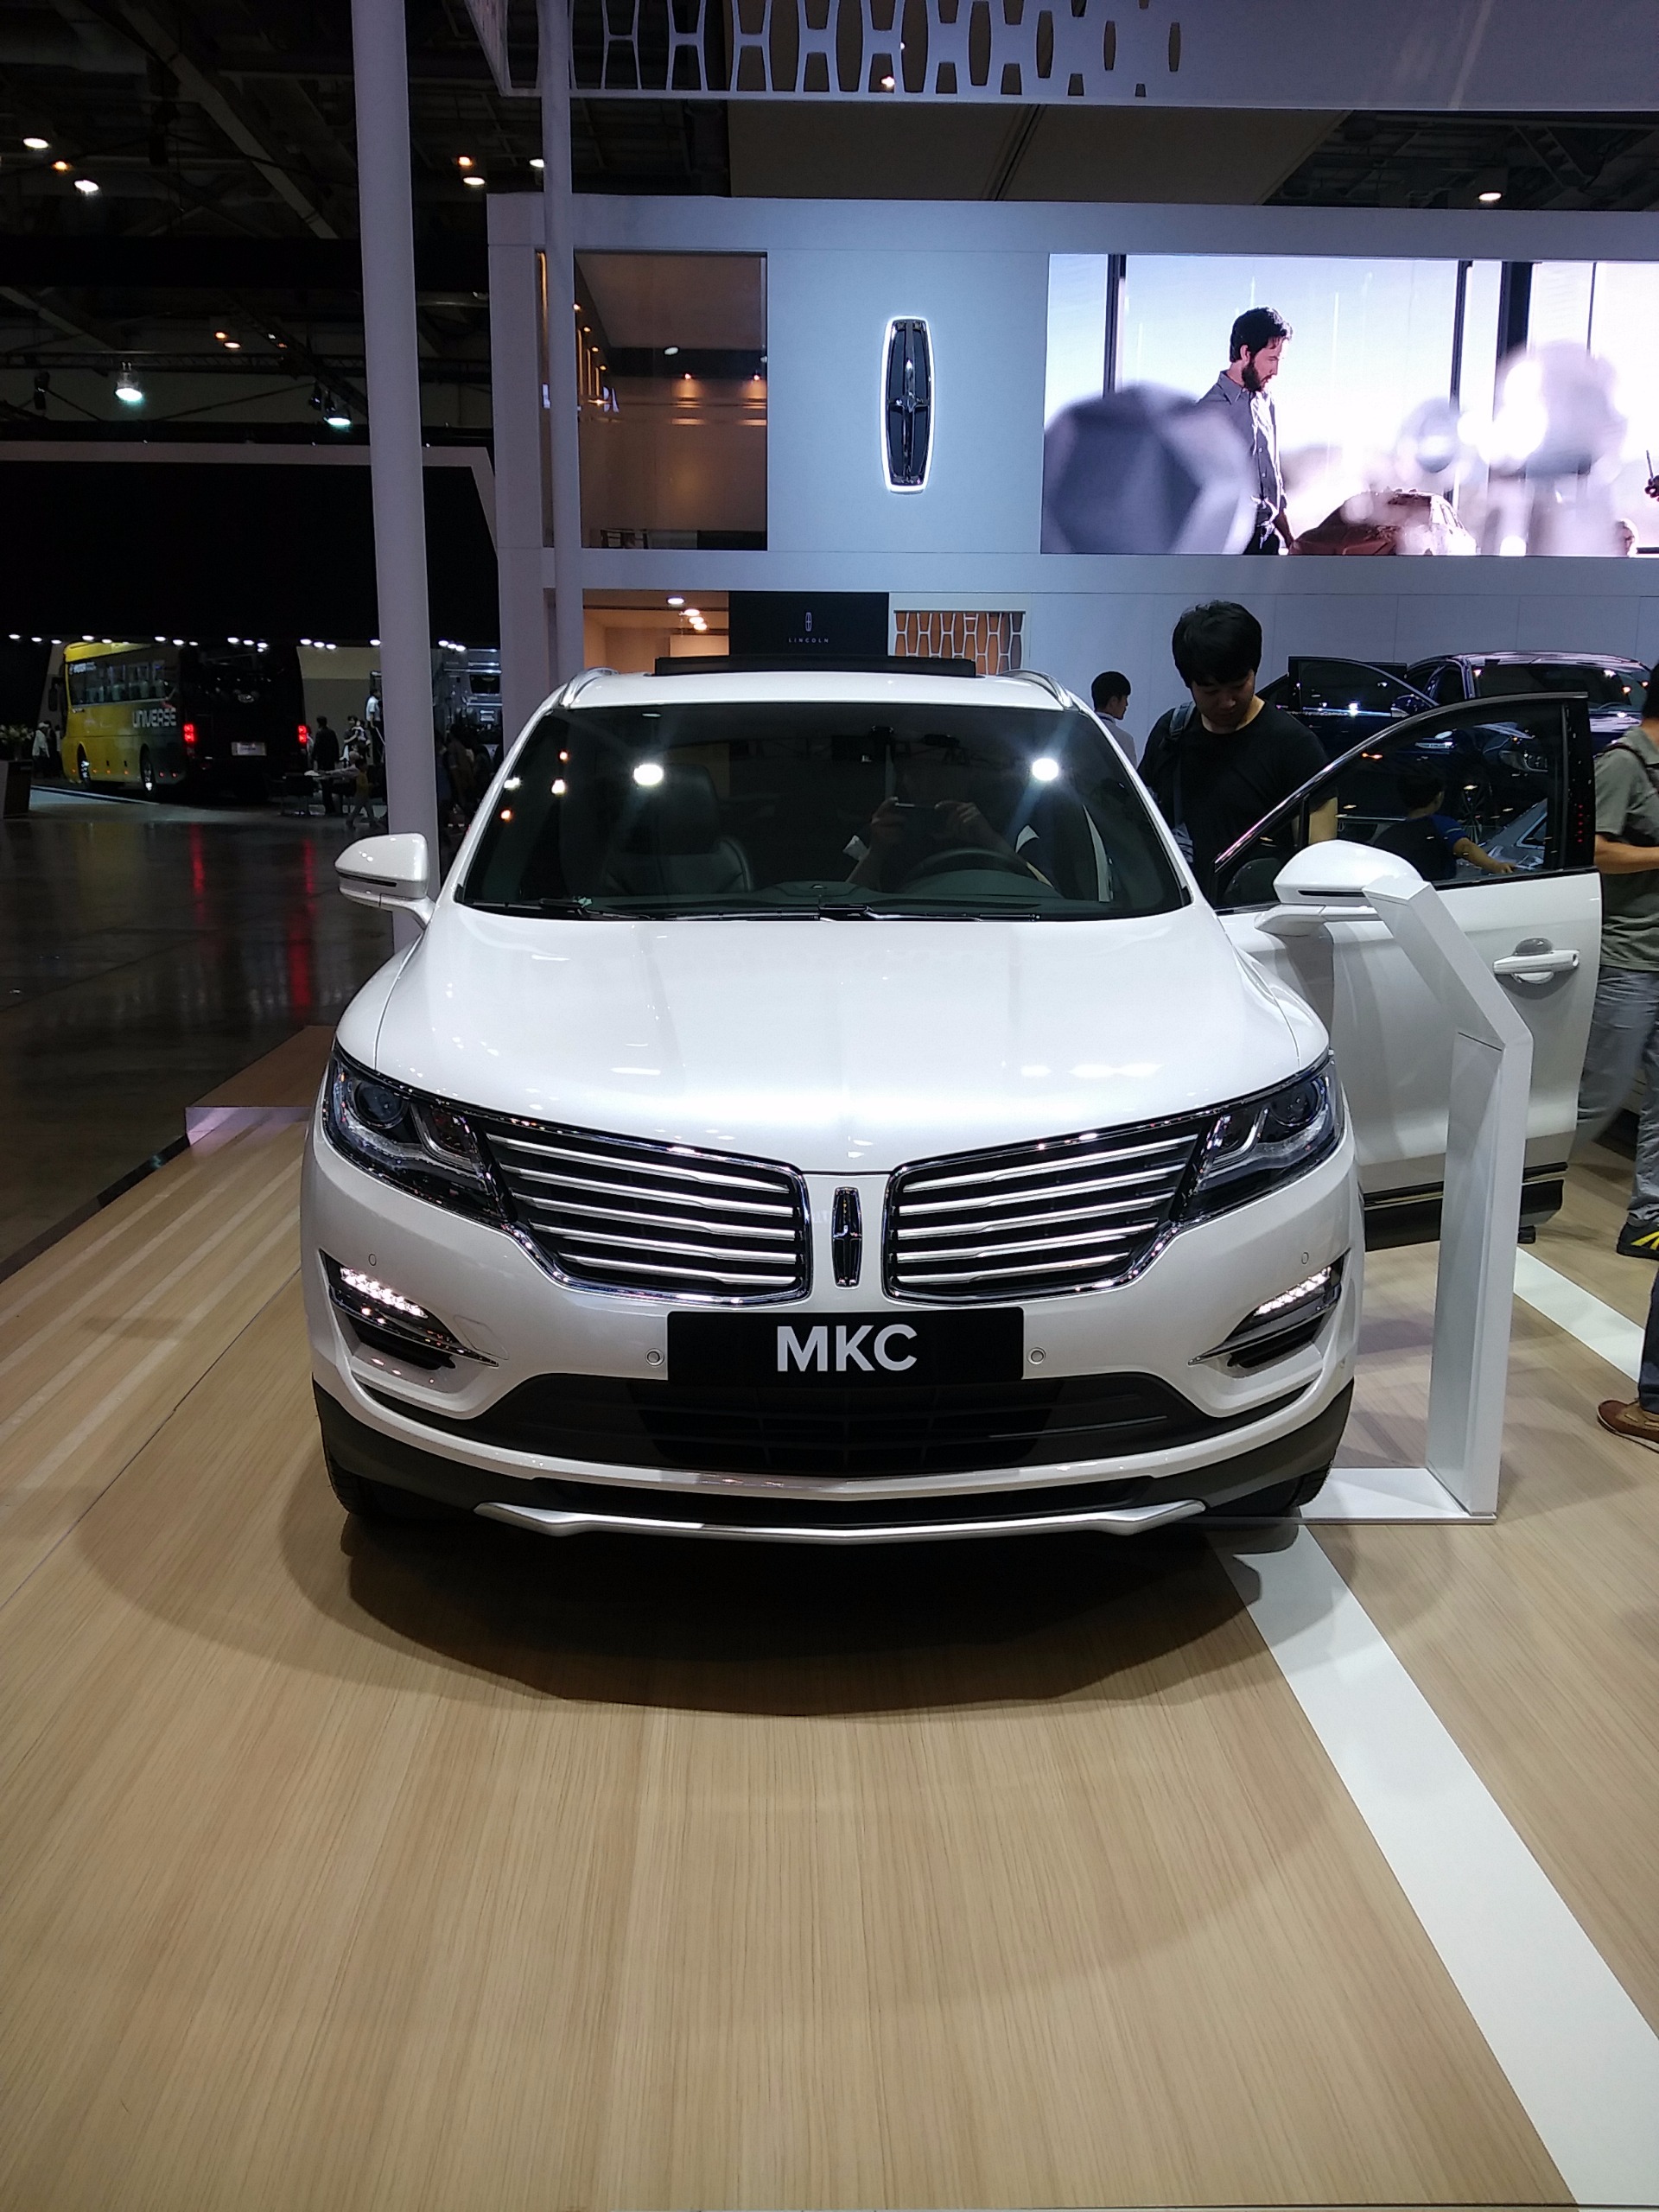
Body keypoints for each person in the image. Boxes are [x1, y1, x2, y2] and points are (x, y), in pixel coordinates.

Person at [1138, 601, 1334, 900]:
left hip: (1258, 918)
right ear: (1189, 683)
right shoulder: (1171, 734)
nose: (1227, 702)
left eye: (1239, 685)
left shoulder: (1295, 747)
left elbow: (1318, 869)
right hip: (1182, 913)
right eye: (1211, 691)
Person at [1573, 678, 1659, 1257]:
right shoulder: (1624, 764)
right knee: (1598, 1096)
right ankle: (1509, 1188)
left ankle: (1647, 1219)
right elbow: (1595, 851)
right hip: (1629, 960)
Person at [1194, 307, 1293, 555]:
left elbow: (1273, 481)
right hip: (1229, 548)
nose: (1276, 371)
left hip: (1268, 541)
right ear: (1246, 353)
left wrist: (1290, 539)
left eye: (1280, 361)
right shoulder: (1207, 414)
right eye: (1272, 359)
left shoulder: (1266, 403)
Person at [1372, 766, 1516, 883]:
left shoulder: (1388, 835)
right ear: (1439, 796)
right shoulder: (1441, 825)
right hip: (1439, 890)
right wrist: (1495, 866)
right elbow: (1465, 849)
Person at [1090, 671, 1139, 763]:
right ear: (1113, 701)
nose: (1127, 704)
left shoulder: (1078, 731)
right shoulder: (1125, 740)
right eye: (1125, 699)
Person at [311, 714, 341, 813]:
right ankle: (332, 806)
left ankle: (328, 806)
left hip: (322, 761)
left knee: (324, 783)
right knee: (330, 781)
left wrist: (313, 757)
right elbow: (336, 745)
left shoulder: (319, 733)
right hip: (330, 761)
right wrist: (336, 758)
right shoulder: (331, 732)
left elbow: (317, 746)